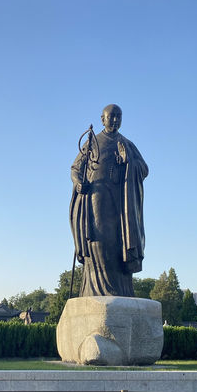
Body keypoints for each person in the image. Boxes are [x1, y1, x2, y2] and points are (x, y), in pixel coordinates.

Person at [70, 104, 148, 297]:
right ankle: (95, 290)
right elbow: (75, 168)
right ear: (102, 119)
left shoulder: (127, 144)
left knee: (117, 242)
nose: (115, 120)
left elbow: (144, 169)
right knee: (98, 241)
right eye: (111, 116)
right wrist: (78, 182)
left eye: (118, 117)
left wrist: (128, 160)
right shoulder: (92, 142)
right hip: (96, 198)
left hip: (121, 204)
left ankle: (121, 290)